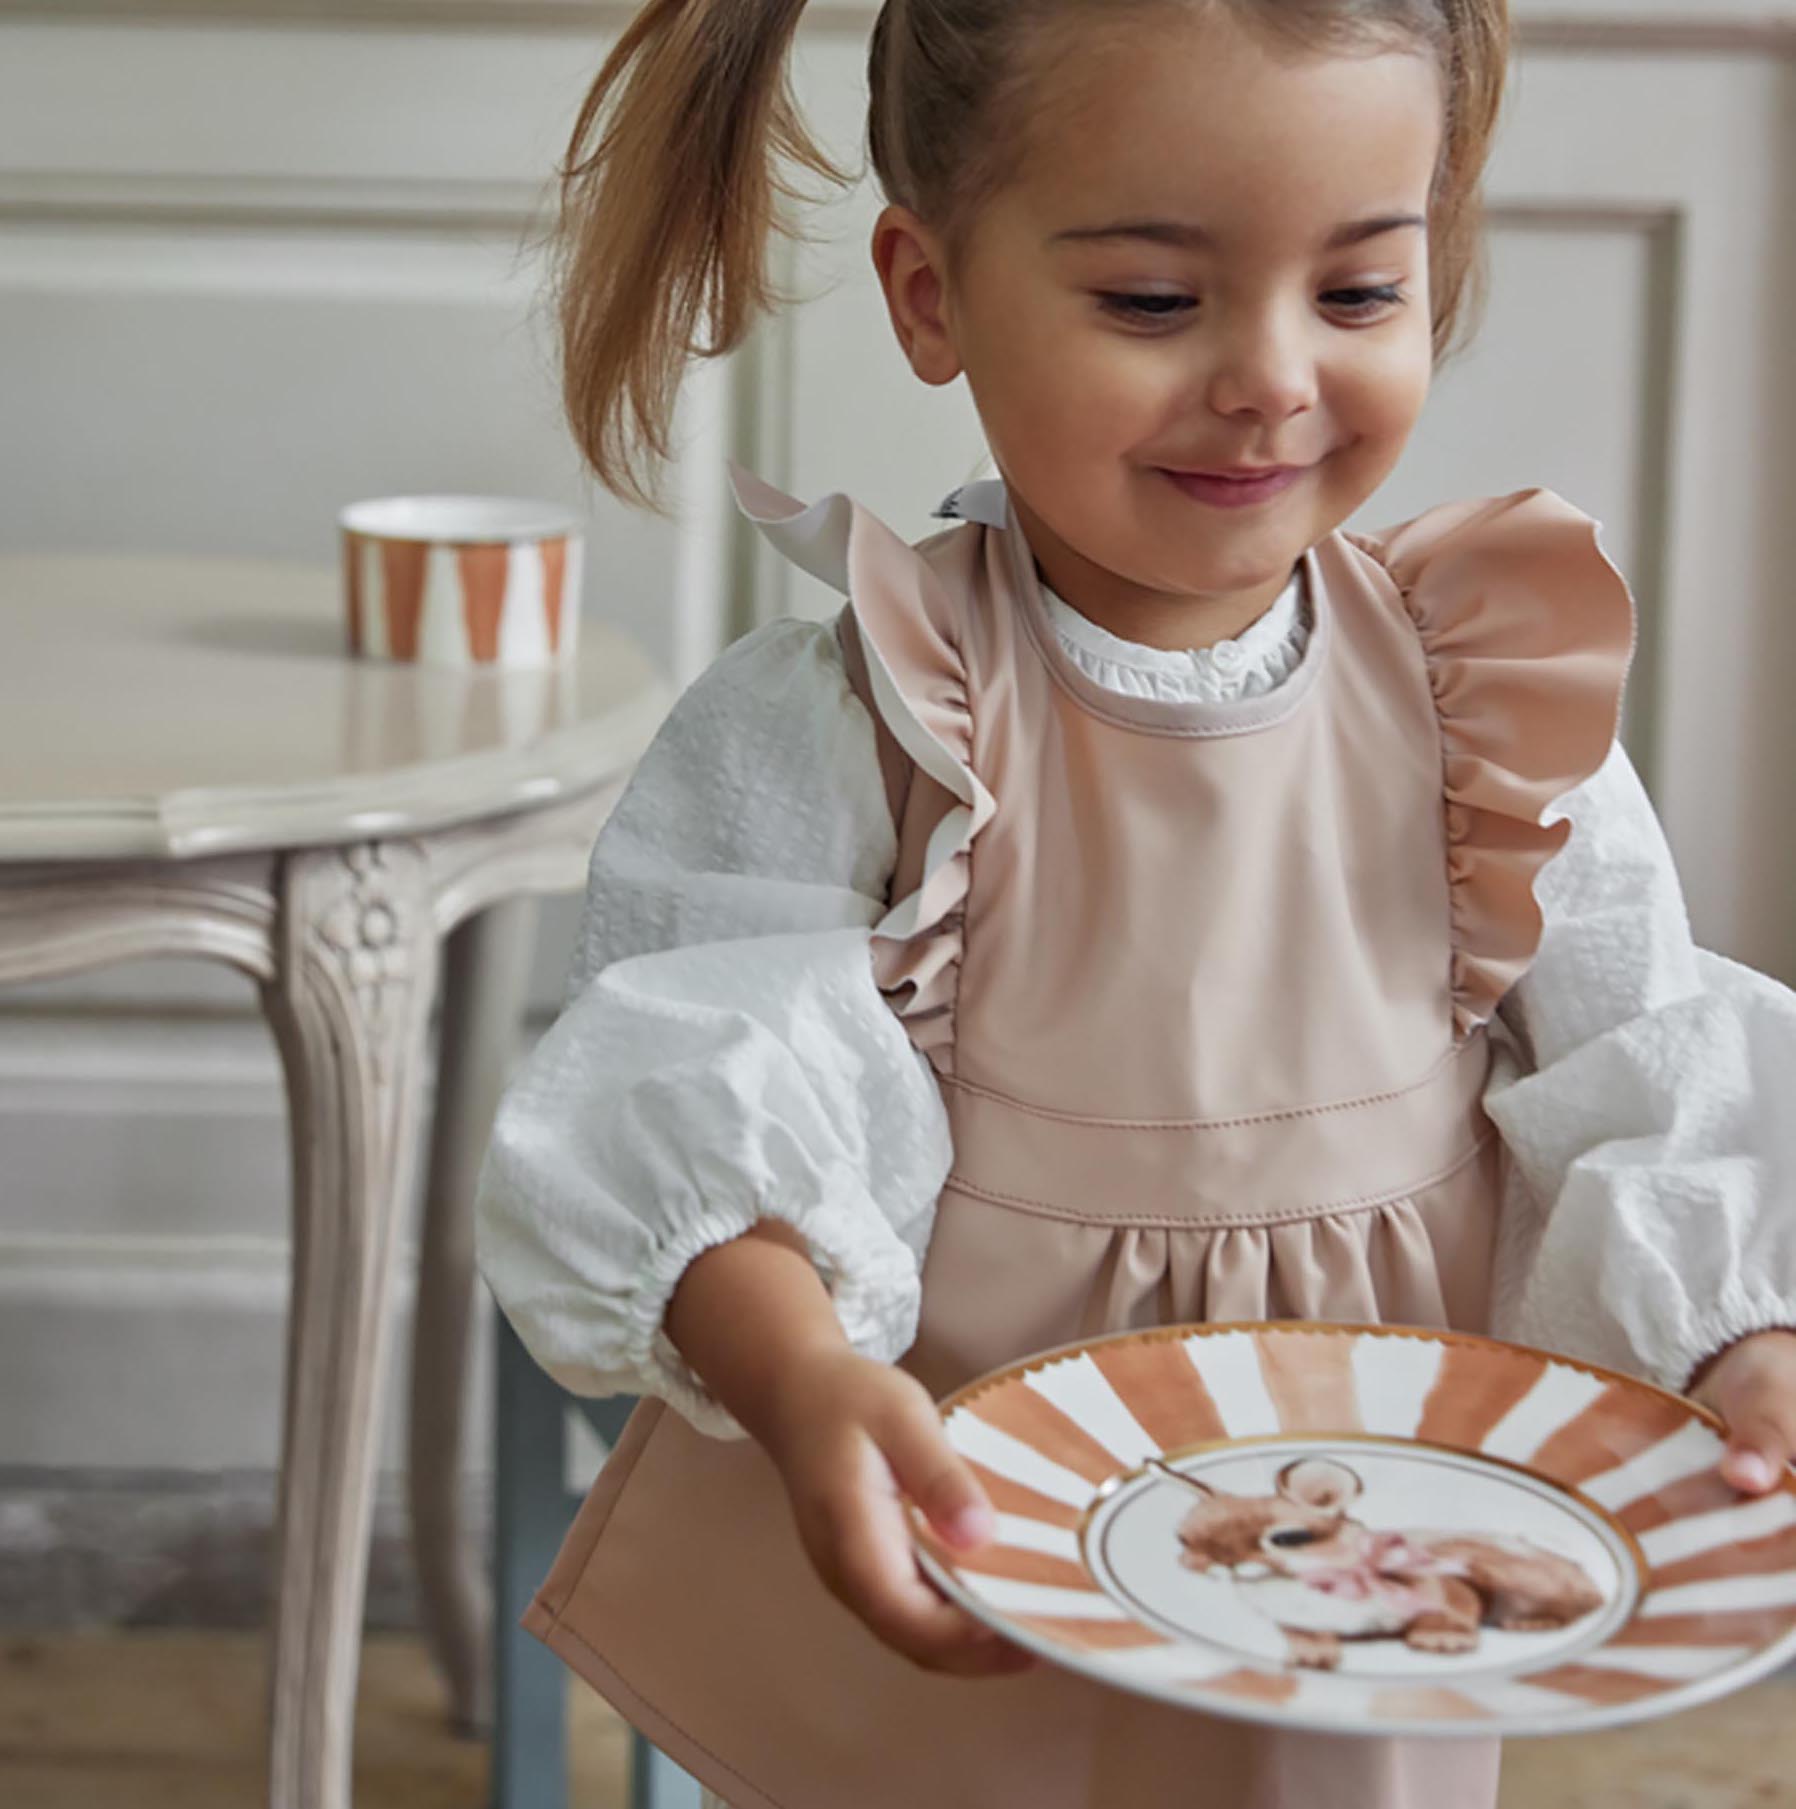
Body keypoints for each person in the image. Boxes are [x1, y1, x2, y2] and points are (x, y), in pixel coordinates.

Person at [475, 1, 1796, 1804]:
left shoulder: (1490, 698)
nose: (1269, 376)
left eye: (1356, 294)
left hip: (1360, 1568)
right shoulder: (858, 717)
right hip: (971, 1557)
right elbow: (692, 1115)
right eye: (1156, 303)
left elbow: (1647, 1060)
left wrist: (1750, 1335)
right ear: (929, 291)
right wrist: (797, 1379)